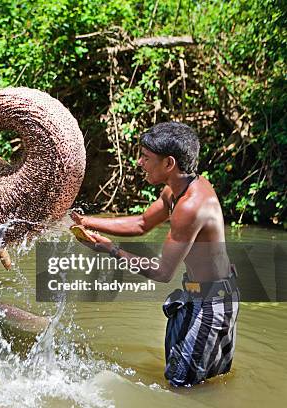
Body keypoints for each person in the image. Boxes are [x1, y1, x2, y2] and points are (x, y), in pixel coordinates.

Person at [71, 122, 239, 387]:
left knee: (181, 387)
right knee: (202, 383)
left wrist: (110, 249)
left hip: (211, 304)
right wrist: (88, 221)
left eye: (146, 158)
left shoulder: (190, 206)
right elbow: (141, 224)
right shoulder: (176, 189)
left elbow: (162, 272)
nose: (140, 163)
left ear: (169, 163)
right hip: (204, 293)